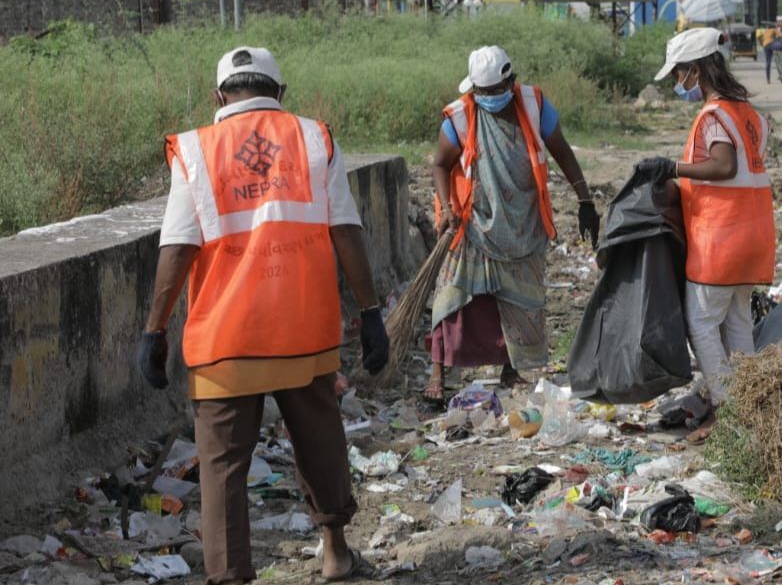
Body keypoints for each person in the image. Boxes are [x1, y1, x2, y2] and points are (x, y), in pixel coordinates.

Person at [138, 46, 387, 584]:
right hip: (303, 329)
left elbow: (178, 245)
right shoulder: (313, 138)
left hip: (225, 338)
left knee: (224, 467)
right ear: (281, 93)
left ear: (218, 97)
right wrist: (370, 312)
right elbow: (346, 229)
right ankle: (336, 552)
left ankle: (229, 578)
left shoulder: (199, 149)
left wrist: (154, 329)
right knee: (320, 437)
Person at [427, 45, 600, 403]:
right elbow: (440, 164)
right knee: (451, 295)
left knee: (518, 302)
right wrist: (446, 207)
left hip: (524, 222)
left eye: (497, 91)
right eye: (483, 93)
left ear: (511, 81)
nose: (491, 98)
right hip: (474, 222)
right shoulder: (460, 117)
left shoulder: (535, 106)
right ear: (473, 91)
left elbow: (562, 152)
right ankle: (437, 374)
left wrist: (585, 200)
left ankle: (511, 369)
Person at [638, 28, 776, 434]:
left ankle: (726, 408)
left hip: (721, 238)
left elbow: (723, 166)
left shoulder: (714, 116)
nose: (679, 82)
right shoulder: (749, 114)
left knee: (701, 324)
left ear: (696, 70)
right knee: (736, 324)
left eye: (680, 74)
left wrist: (672, 168)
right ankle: (751, 404)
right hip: (755, 236)